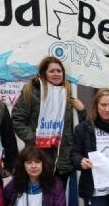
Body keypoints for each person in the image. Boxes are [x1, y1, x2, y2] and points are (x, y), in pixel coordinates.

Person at [12, 56, 85, 185]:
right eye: (52, 71)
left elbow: (81, 127)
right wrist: (34, 139)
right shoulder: (31, 91)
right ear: (44, 73)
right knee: (37, 199)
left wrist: (82, 110)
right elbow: (17, 119)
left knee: (58, 200)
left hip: (62, 159)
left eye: (59, 71)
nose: (56, 74)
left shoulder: (68, 94)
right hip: (37, 157)